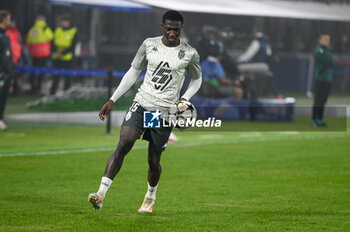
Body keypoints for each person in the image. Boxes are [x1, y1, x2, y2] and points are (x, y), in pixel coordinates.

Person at [88, 10, 202, 213]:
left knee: (153, 159)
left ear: (181, 29)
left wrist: (185, 98)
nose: (172, 33)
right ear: (162, 27)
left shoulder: (190, 53)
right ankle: (100, 195)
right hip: (141, 102)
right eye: (168, 28)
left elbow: (197, 79)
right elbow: (133, 71)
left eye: (176, 29)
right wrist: (113, 99)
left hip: (164, 111)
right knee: (124, 143)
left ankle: (150, 197)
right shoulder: (149, 44)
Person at [50, 15, 77, 95]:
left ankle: (66, 96)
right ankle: (52, 95)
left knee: (67, 79)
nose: (64, 23)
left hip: (67, 58)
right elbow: (52, 42)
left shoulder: (73, 31)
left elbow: (73, 46)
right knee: (55, 78)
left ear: (69, 22)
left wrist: (62, 53)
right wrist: (56, 52)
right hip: (57, 58)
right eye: (62, 21)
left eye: (65, 21)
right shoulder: (57, 30)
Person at [311, 34, 335, 127]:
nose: (327, 42)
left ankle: (320, 119)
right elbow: (326, 61)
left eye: (328, 40)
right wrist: (328, 62)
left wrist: (329, 62)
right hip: (320, 79)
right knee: (318, 100)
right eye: (325, 40)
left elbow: (332, 64)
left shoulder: (327, 51)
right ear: (320, 40)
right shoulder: (318, 50)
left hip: (327, 79)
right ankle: (314, 119)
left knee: (324, 100)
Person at [26, 15, 53, 95]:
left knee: (33, 72)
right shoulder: (46, 28)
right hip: (44, 54)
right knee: (41, 73)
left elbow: (29, 41)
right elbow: (51, 37)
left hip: (34, 54)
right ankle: (39, 89)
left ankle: (33, 88)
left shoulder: (32, 29)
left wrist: (31, 51)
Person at [0, 10, 15, 130]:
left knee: (4, 96)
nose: (10, 21)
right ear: (3, 20)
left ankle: (0, 118)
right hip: (1, 71)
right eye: (8, 19)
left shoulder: (5, 35)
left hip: (7, 71)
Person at [6, 20, 22, 95]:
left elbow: (18, 44)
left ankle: (13, 90)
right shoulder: (6, 32)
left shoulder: (16, 32)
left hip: (15, 58)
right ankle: (10, 90)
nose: (12, 24)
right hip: (8, 58)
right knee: (8, 75)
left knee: (13, 75)